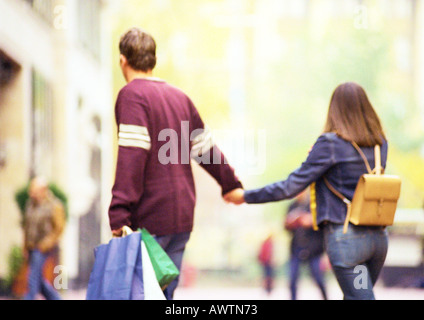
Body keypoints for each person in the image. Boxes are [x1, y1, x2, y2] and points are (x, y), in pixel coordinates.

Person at [108, 28, 243, 300]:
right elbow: (205, 149)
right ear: (152, 60)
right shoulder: (180, 98)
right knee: (164, 296)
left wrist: (119, 212)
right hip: (180, 218)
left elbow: (133, 154)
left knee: (139, 295)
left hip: (149, 219)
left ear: (123, 61)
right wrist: (230, 184)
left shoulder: (132, 95)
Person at [225, 82, 389, 300]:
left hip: (349, 241)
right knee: (358, 295)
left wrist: (246, 196)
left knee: (360, 298)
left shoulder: (330, 143)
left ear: (335, 110)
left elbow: (291, 186)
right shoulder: (380, 144)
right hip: (376, 241)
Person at [23, 176, 66, 300]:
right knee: (39, 281)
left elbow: (59, 228)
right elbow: (27, 227)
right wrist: (25, 247)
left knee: (32, 277)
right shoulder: (30, 205)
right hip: (31, 245)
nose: (30, 192)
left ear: (43, 189)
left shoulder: (55, 205)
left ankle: (29, 298)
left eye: (33, 189)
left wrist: (46, 244)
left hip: (43, 247)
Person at [284, 191, 327, 300]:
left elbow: (324, 224)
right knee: (292, 279)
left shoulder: (314, 204)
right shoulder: (292, 206)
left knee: (318, 278)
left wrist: (311, 221)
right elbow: (285, 226)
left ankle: (325, 297)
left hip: (313, 249)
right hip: (296, 248)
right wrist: (291, 222)